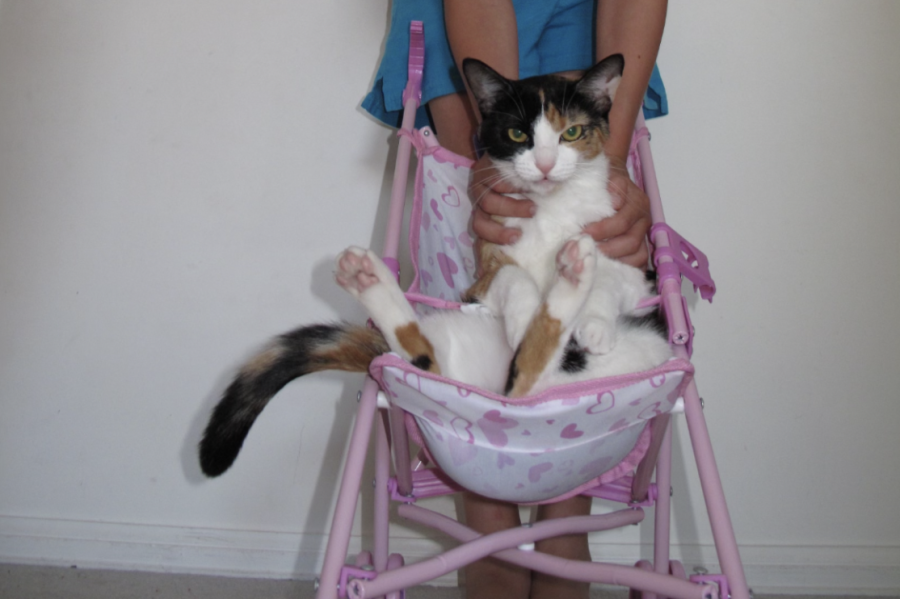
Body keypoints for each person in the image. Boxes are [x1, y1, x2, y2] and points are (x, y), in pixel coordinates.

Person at [362, 2, 668, 598]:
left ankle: (565, 508)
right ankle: (486, 517)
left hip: (587, 19)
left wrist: (608, 173)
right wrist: (485, 152)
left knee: (584, 235)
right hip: (464, 16)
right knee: (483, 225)